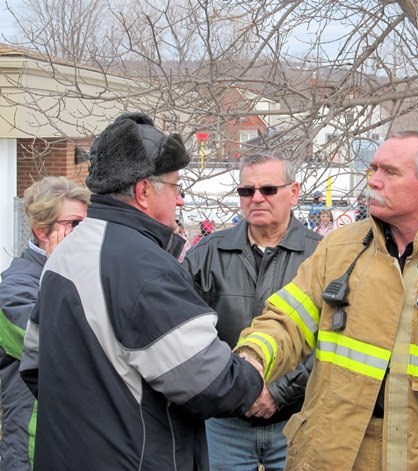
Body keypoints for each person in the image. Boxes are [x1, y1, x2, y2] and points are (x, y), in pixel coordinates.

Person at [19, 112, 263, 470]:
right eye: (176, 187)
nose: (180, 201)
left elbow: (34, 365)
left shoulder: (65, 252)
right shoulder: (144, 267)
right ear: (143, 191)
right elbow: (211, 384)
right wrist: (252, 371)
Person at [235, 131, 418, 470]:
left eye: (389, 172)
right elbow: (286, 320)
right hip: (329, 456)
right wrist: (252, 359)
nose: (373, 181)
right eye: (372, 169)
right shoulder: (338, 248)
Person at [183, 152, 322, 470]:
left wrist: (279, 392)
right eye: (247, 191)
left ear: (295, 192)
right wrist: (235, 389)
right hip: (224, 425)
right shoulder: (206, 254)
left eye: (268, 189)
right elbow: (187, 336)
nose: (256, 198)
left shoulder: (322, 257)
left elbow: (332, 339)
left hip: (297, 422)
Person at [0, 176, 89, 471]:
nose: (83, 233)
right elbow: (54, 343)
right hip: (34, 447)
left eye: (87, 224)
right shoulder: (14, 288)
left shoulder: (81, 273)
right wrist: (59, 271)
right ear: (41, 230)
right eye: (74, 224)